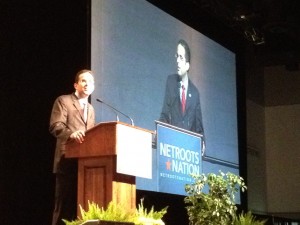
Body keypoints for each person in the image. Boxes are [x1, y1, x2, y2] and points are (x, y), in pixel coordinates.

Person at [49, 69, 96, 225]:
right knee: (63, 207)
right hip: (66, 161)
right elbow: (55, 125)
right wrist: (71, 134)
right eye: (83, 81)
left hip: (85, 166)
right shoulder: (63, 100)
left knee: (80, 209)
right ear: (76, 84)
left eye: (90, 82)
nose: (87, 84)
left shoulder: (91, 109)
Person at [159, 39, 205, 141]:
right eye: (177, 56)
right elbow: (165, 115)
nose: (177, 61)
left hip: (188, 148)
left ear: (187, 65)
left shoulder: (195, 93)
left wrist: (202, 145)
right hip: (173, 142)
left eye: (181, 57)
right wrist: (160, 132)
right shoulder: (171, 82)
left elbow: (199, 127)